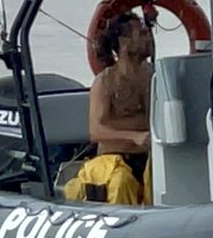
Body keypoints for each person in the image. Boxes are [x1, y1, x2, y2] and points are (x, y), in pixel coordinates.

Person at [64, 12, 153, 205]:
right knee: (121, 182)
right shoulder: (104, 82)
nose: (149, 38)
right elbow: (96, 131)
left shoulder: (153, 76)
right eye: (142, 33)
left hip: (149, 158)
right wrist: (134, 136)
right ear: (124, 42)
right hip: (114, 158)